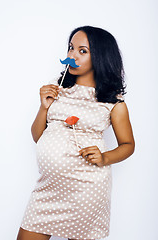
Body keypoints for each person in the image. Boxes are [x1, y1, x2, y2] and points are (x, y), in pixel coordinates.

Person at [17, 25, 135, 240]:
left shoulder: (113, 102)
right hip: (48, 187)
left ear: (100, 56)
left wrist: (105, 157)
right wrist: (44, 107)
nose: (72, 55)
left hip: (87, 189)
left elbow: (128, 145)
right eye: (71, 48)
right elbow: (37, 137)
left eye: (82, 51)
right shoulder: (57, 89)